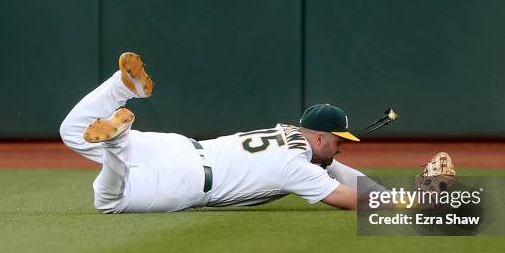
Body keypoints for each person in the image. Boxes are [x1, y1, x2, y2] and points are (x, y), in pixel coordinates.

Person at [60, 52, 370, 213]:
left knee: (72, 131)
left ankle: (121, 87)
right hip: (184, 181)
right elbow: (351, 199)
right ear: (317, 138)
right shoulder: (296, 168)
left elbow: (340, 170)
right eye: (337, 140)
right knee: (109, 203)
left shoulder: (287, 133)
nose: (341, 147)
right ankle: (116, 144)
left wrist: (397, 192)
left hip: (175, 147)